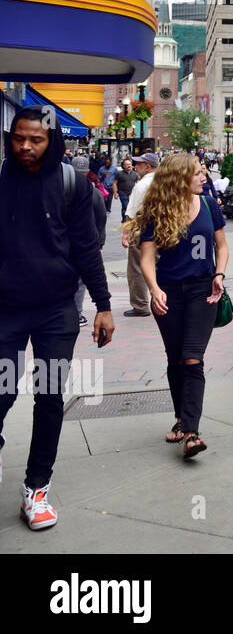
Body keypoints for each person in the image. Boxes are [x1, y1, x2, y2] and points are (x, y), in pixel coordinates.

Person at [0, 107, 115, 530]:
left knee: (49, 398)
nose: (25, 147)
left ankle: (36, 488)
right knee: (2, 388)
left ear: (52, 142)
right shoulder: (1, 179)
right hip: (5, 309)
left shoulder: (70, 185)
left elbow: (87, 247)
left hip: (55, 311)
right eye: (18, 138)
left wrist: (103, 305)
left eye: (36, 139)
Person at [137, 153, 230, 460]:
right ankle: (180, 418)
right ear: (180, 178)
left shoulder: (208, 205)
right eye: (199, 173)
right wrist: (154, 290)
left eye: (204, 172)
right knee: (176, 359)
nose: (205, 178)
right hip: (168, 292)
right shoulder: (156, 210)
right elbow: (147, 257)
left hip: (203, 291)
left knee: (192, 359)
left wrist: (219, 274)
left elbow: (222, 245)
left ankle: (191, 432)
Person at [121, 153, 160, 317]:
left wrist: (126, 233)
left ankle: (140, 305)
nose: (136, 166)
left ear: (147, 167)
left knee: (137, 268)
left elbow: (131, 212)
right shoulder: (165, 182)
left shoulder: (141, 185)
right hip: (162, 230)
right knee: (159, 266)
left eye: (139, 164)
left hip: (142, 231)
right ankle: (161, 300)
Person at [71, 157, 107, 327]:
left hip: (77, 242)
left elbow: (101, 219)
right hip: (85, 242)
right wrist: (100, 243)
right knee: (80, 279)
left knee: (78, 278)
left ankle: (75, 313)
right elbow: (101, 220)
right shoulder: (94, 192)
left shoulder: (65, 189)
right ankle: (76, 313)